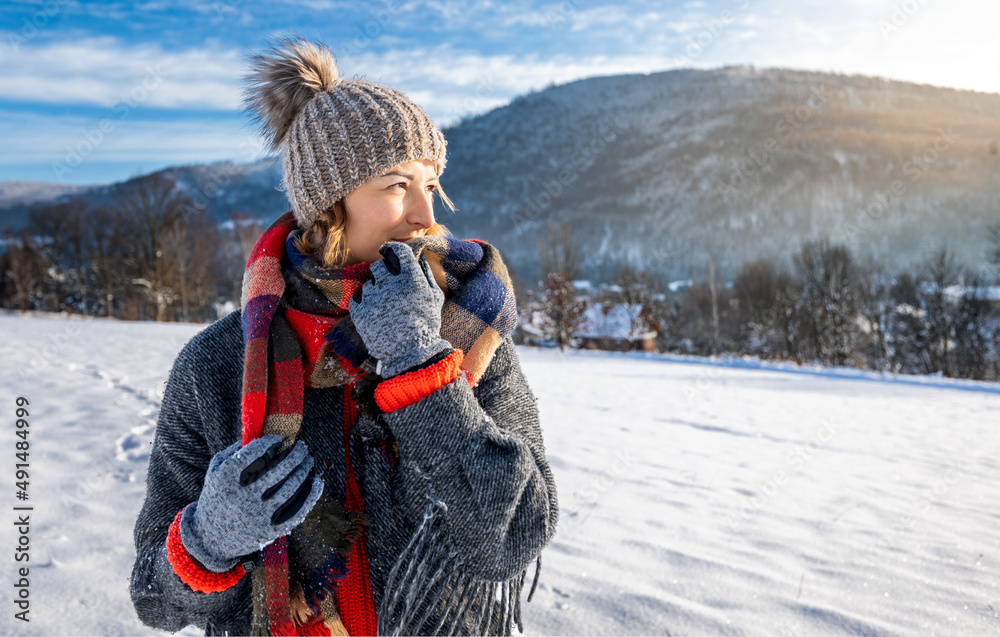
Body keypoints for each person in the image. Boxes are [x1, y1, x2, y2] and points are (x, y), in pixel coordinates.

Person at [129, 37, 559, 636]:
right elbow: (153, 597)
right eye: (394, 185)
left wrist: (419, 370)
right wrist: (206, 541)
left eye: (430, 184)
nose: (424, 215)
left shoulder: (466, 335)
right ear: (329, 203)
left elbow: (515, 537)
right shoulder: (218, 364)